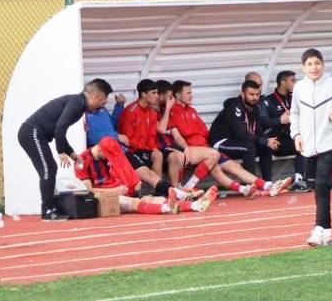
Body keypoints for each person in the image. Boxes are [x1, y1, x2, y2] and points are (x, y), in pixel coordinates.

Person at [162, 80, 288, 196]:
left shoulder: (192, 111)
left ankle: (263, 186)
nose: (191, 95)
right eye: (188, 93)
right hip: (200, 148)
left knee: (232, 167)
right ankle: (187, 188)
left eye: (257, 94)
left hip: (205, 148)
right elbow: (181, 134)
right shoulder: (174, 111)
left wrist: (267, 139)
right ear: (177, 96)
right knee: (217, 154)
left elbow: (203, 132)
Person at [17, 79, 111, 220]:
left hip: (36, 134)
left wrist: (71, 153)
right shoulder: (77, 103)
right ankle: (48, 210)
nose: (101, 106)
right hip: (31, 132)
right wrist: (60, 151)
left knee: (50, 168)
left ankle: (50, 208)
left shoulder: (78, 103)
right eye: (102, 102)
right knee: (48, 169)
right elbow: (60, 127)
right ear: (95, 96)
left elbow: (60, 129)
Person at [75, 136, 216, 215]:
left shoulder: (106, 155)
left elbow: (121, 169)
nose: (110, 159)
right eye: (108, 156)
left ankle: (194, 205)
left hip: (117, 191)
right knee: (132, 202)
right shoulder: (82, 161)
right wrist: (114, 191)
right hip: (102, 198)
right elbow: (89, 190)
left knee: (154, 198)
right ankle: (167, 208)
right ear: (100, 149)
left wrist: (132, 184)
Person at [291, 48, 332, 247]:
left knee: (323, 184)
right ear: (303, 68)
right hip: (307, 145)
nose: (314, 67)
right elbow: (295, 113)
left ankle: (318, 229)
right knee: (316, 186)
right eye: (310, 64)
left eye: (317, 63)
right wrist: (296, 134)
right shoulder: (299, 88)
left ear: (323, 64)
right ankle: (327, 232)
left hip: (329, 143)